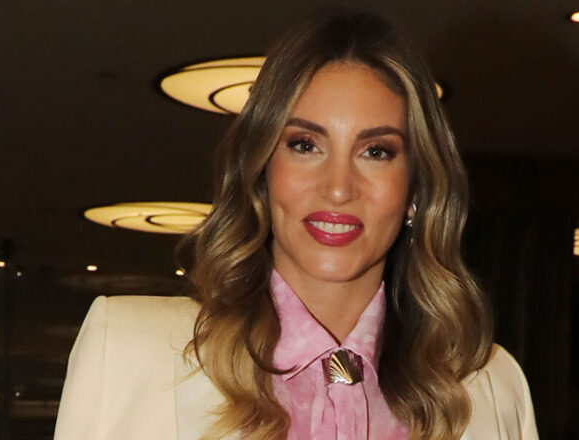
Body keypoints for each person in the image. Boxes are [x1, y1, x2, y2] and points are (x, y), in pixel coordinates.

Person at [53, 9, 537, 440]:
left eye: (376, 151)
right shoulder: (130, 351)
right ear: (263, 171)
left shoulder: (491, 388)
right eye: (305, 145)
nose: (338, 188)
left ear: (415, 190)